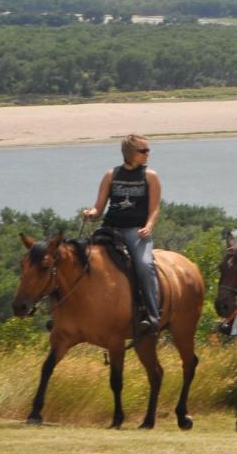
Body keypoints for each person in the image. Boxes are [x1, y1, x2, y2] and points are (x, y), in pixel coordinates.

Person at [82, 133, 161, 334]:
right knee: (79, 259)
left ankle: (152, 315)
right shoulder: (111, 175)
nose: (147, 154)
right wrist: (90, 213)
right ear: (129, 153)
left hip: (136, 231)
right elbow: (98, 208)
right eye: (143, 150)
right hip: (110, 229)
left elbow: (155, 208)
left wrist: (149, 226)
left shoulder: (150, 176)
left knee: (144, 265)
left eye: (148, 150)